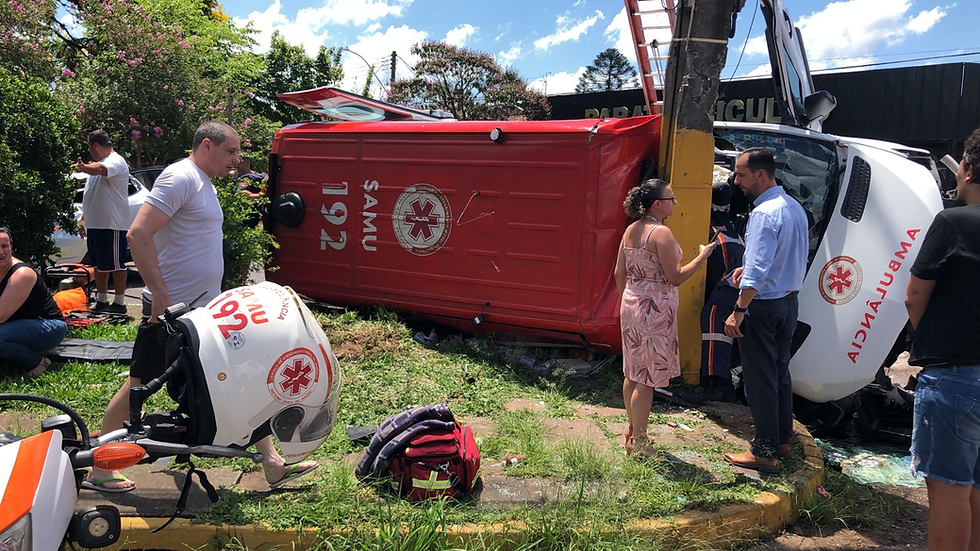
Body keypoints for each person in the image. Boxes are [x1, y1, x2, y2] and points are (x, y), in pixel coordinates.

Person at [86, 121, 318, 493]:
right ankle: (100, 466)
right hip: (173, 313)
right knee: (140, 384)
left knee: (244, 377)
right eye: (231, 152)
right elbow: (138, 234)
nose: (236, 160)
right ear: (206, 146)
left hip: (204, 313)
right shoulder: (180, 177)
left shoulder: (202, 182)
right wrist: (159, 294)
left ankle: (271, 463)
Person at [904, 127, 980, 551]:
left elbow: (915, 297)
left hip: (955, 376)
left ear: (966, 169)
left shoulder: (952, 222)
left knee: (950, 489)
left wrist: (929, 335)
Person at [615, 178, 715, 457]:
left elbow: (618, 274)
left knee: (632, 372)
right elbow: (676, 276)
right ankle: (640, 441)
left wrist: (628, 300)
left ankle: (632, 430)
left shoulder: (630, 230)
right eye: (671, 199)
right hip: (655, 309)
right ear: (658, 204)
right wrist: (701, 257)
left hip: (631, 303)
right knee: (646, 379)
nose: (674, 203)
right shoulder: (661, 234)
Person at [723, 148, 808, 473]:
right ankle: (782, 439)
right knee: (779, 374)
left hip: (762, 306)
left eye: (741, 175)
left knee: (759, 380)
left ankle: (764, 451)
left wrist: (739, 309)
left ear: (761, 175)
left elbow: (758, 268)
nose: (736, 181)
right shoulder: (794, 209)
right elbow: (782, 259)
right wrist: (750, 274)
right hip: (788, 303)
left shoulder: (763, 214)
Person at [675, 181, 745, 405]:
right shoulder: (732, 226)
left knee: (713, 321)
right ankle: (724, 386)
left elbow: (714, 271)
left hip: (727, 285)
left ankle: (710, 385)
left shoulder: (713, 228)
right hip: (738, 284)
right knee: (723, 335)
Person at [72, 130, 131, 314]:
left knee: (116, 265)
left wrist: (83, 167)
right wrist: (83, 219)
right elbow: (93, 196)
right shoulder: (100, 164)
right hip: (96, 225)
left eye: (90, 147)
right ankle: (103, 300)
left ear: (95, 145)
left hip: (111, 224)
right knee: (98, 265)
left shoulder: (115, 161)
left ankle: (120, 303)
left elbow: (100, 170)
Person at [0, 227, 67, 376]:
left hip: (48, 326)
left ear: (11, 246)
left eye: (4, 246)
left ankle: (38, 361)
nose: (1, 252)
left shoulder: (22, 274)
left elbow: (1, 316)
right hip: (16, 325)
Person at [234, 157, 267, 228]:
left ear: (247, 163)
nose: (237, 165)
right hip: (242, 216)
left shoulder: (251, 178)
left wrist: (259, 195)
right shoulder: (235, 174)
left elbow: (242, 194)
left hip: (247, 217)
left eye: (239, 163)